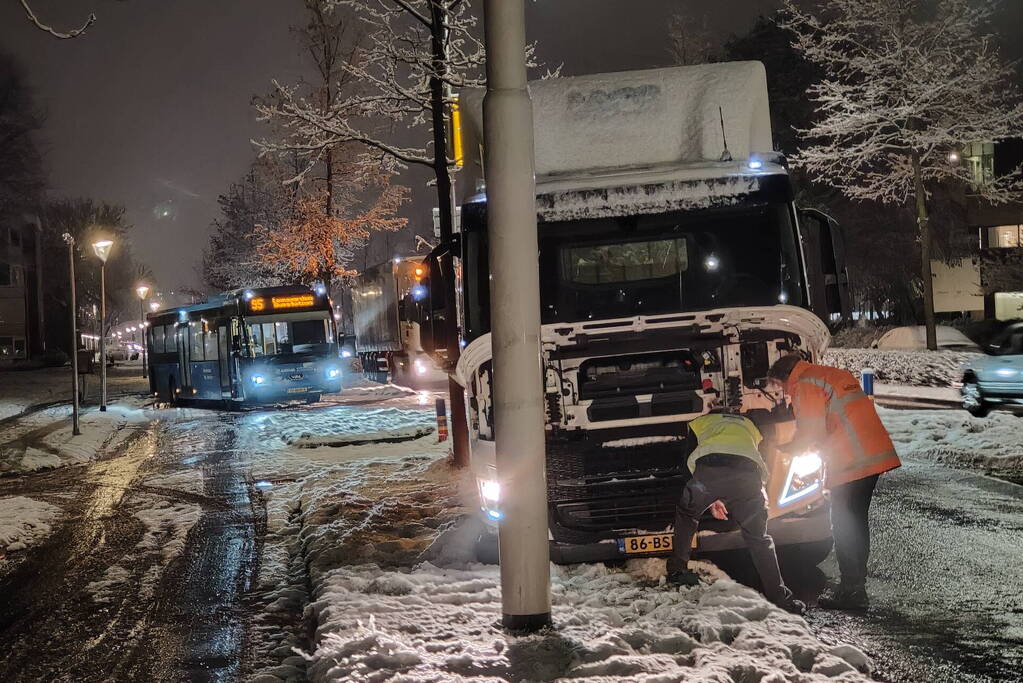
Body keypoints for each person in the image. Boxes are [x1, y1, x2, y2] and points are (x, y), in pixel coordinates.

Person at [767, 353, 901, 610]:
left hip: (851, 460)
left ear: (786, 376)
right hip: (870, 455)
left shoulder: (804, 384)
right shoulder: (829, 374)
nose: (783, 392)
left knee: (843, 523)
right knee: (855, 521)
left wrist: (783, 449)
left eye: (781, 386)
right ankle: (855, 586)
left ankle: (852, 592)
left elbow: (811, 432)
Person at [667, 410, 805, 615]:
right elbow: (761, 456)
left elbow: (688, 462)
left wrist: (707, 494)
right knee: (759, 538)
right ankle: (780, 598)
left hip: (708, 473)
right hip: (749, 478)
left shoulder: (699, 423)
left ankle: (678, 571)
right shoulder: (749, 425)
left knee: (687, 515)